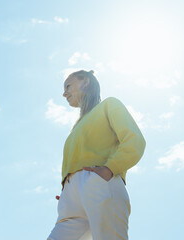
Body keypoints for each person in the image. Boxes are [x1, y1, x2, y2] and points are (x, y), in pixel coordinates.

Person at [47, 70, 146, 240]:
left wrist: (109, 169)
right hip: (70, 201)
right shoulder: (75, 128)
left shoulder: (109, 105)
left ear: (85, 82)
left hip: (100, 182)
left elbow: (134, 140)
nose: (64, 93)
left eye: (68, 86)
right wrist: (69, 190)